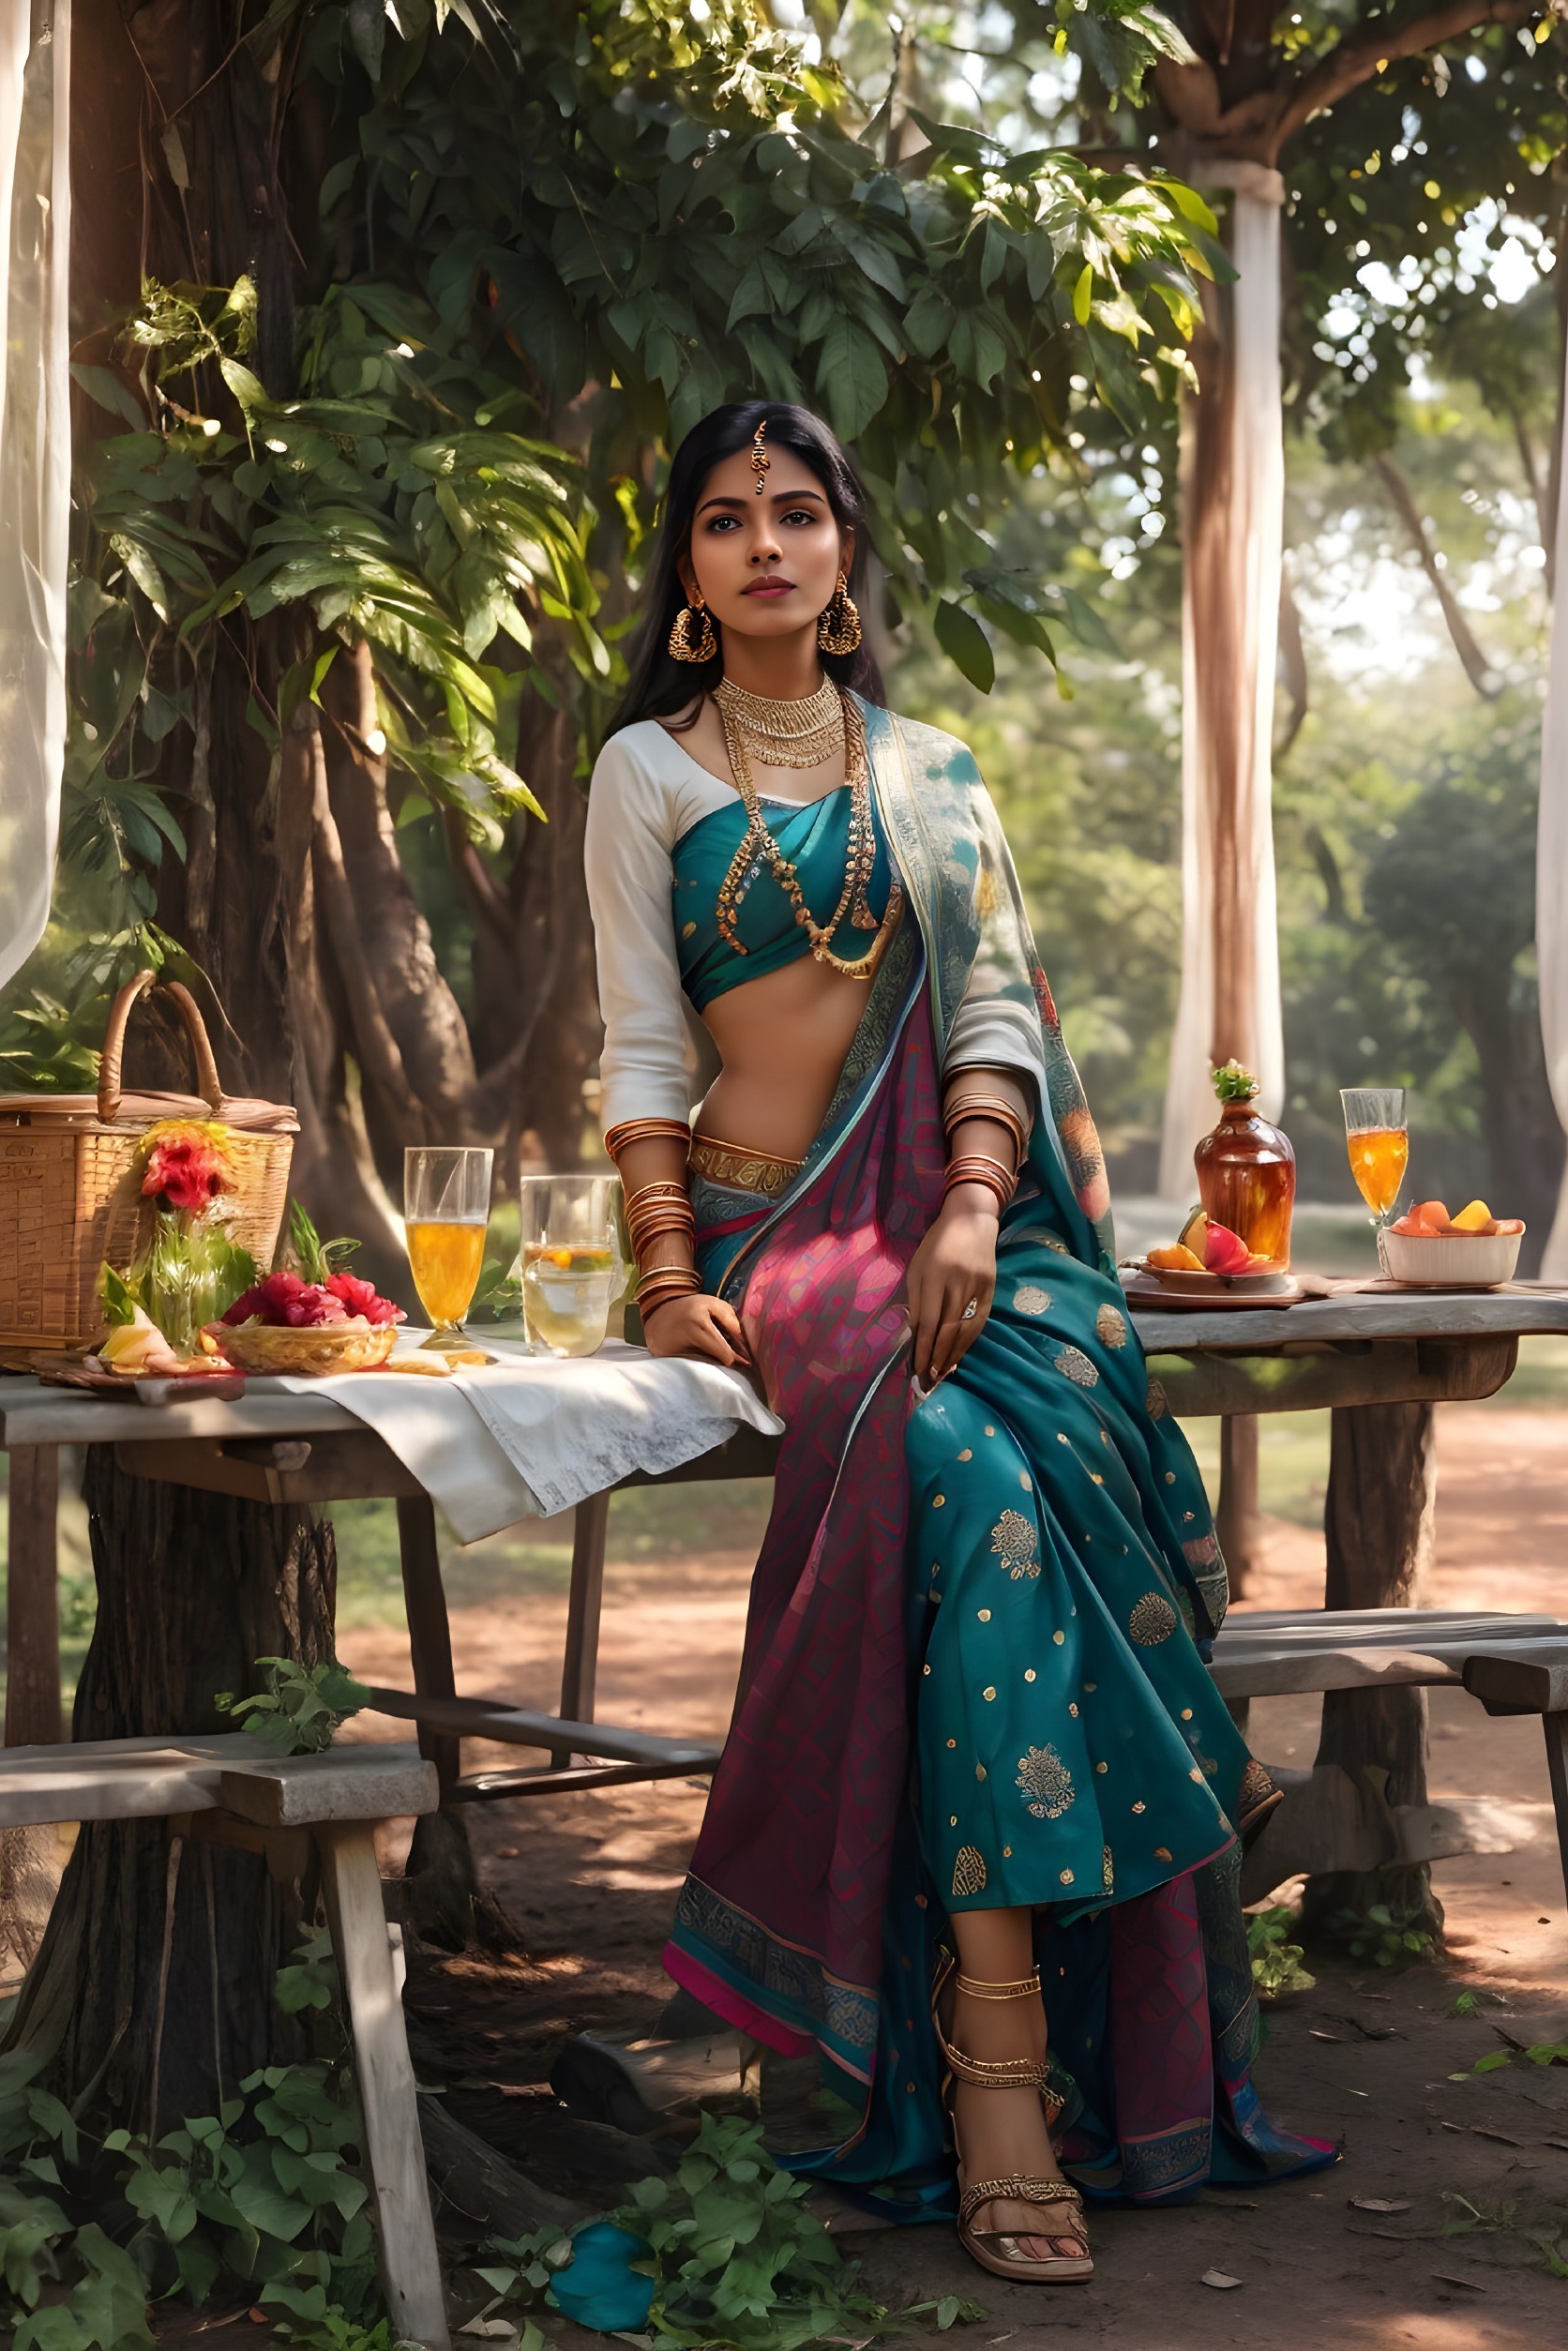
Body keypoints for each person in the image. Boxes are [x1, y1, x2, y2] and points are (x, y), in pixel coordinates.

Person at [583, 399, 1333, 2284]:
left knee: (1000, 1463)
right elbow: (646, 1055)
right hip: (773, 1233)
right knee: (965, 1469)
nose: (765, 542)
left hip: (949, 1221)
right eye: (726, 519)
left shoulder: (933, 771)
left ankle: (1001, 2081)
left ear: (843, 560)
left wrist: (979, 1207)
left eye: (800, 513)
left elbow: (988, 1008)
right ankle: (1006, 2091)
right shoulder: (643, 778)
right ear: (683, 573)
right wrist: (671, 1276)